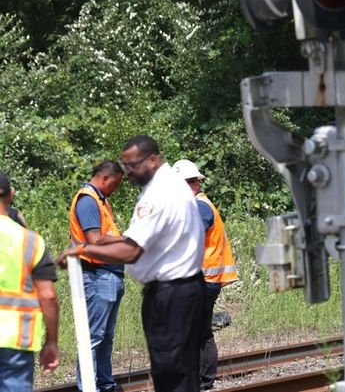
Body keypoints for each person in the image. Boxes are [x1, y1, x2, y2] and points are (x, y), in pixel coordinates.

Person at [57, 135, 205, 392]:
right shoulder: (172, 185)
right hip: (182, 290)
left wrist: (81, 250)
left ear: (152, 159)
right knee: (182, 370)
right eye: (125, 167)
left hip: (170, 293)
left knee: (171, 373)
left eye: (132, 166)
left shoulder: (159, 193)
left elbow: (130, 251)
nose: (128, 173)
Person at [171, 159, 239, 390]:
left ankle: (197, 381)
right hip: (204, 281)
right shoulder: (199, 204)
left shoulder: (199, 207)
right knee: (201, 332)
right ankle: (203, 381)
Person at [0, 170, 59, 391]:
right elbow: (47, 294)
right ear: (11, 195)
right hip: (16, 341)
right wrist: (51, 341)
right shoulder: (30, 241)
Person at [68, 161, 125, 392]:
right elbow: (94, 240)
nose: (116, 188)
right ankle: (89, 387)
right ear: (104, 178)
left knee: (106, 337)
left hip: (109, 274)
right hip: (99, 276)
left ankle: (104, 383)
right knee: (93, 337)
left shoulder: (99, 200)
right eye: (116, 183)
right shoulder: (88, 201)